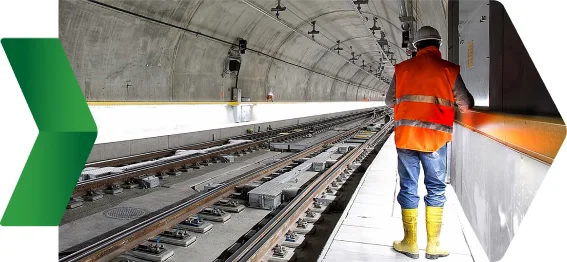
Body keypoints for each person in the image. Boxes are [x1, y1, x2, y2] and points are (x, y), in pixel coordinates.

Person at [385, 26, 474, 260]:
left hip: (406, 139)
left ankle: (409, 243)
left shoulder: (402, 69)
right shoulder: (449, 70)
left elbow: (388, 101)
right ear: (438, 44)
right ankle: (433, 245)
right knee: (435, 187)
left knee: (408, 186)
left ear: (416, 46)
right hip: (435, 140)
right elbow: (465, 103)